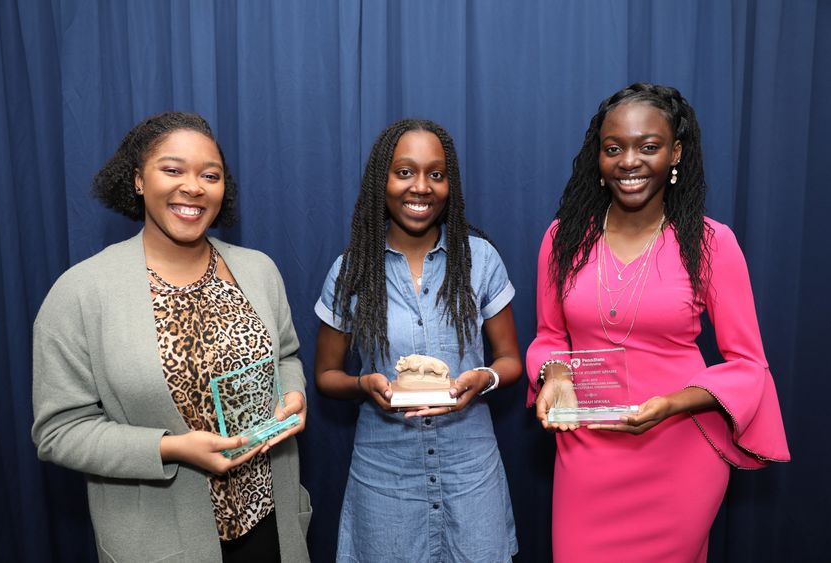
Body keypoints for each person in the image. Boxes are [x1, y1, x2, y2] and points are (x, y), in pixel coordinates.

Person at [527, 83, 790, 562]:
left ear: (676, 153)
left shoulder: (711, 244)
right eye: (614, 148)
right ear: (598, 158)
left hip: (679, 451)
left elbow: (748, 364)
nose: (629, 161)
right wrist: (556, 373)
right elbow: (548, 337)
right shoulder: (562, 239)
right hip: (586, 449)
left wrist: (672, 404)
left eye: (648, 146)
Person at [31, 112, 311, 563]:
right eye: (173, 169)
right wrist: (171, 448)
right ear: (139, 180)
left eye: (210, 175)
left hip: (270, 527)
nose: (194, 187)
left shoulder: (258, 270)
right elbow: (59, 431)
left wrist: (293, 396)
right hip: (162, 543)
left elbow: (287, 357)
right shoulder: (81, 292)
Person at [314, 118, 522, 562]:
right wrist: (362, 386)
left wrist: (482, 379)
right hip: (385, 476)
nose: (421, 187)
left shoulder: (480, 259)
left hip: (470, 473)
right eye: (405, 172)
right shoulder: (351, 271)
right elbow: (327, 375)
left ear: (450, 184)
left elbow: (510, 360)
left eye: (436, 174)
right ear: (381, 181)